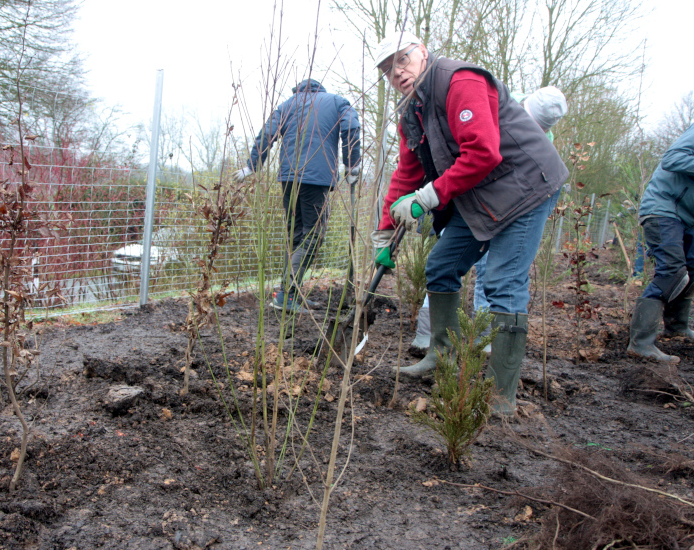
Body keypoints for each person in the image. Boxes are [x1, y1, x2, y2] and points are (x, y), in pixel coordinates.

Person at [371, 31, 568, 416]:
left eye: (402, 59)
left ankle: (500, 397)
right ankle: (441, 357)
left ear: (422, 53)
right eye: (387, 69)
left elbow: (483, 152)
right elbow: (406, 173)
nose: (397, 72)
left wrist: (427, 199)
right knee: (441, 266)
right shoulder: (411, 112)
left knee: (501, 282)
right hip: (480, 193)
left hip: (525, 187)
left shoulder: (459, 80)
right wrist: (384, 231)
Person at [411, 86, 569, 354]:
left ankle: (485, 344)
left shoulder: (542, 145)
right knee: (442, 264)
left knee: (499, 277)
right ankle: (432, 341)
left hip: (513, 201)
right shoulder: (493, 108)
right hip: (472, 193)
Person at [234, 79, 361, 313]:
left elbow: (266, 134)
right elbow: (351, 127)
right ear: (319, 89)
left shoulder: (287, 105)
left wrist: (253, 165)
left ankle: (289, 293)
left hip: (288, 178)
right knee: (313, 234)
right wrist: (352, 164)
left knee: (296, 234)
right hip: (317, 178)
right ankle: (286, 294)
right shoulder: (337, 102)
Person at [626, 112, 694, 363]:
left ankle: (677, 327)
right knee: (672, 274)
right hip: (663, 209)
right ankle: (640, 343)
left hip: (686, 215)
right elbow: (673, 159)